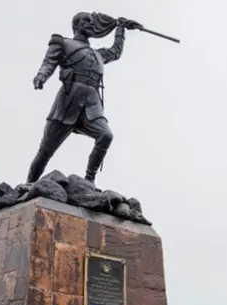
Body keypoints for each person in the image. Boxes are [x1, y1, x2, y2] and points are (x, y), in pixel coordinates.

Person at [26, 13, 142, 184]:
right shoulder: (63, 43)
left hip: (91, 106)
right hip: (67, 102)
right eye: (85, 21)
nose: (89, 24)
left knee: (106, 135)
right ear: (76, 25)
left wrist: (120, 29)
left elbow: (115, 52)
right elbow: (49, 62)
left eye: (90, 21)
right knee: (45, 151)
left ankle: (89, 180)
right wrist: (41, 77)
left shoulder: (97, 54)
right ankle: (28, 185)